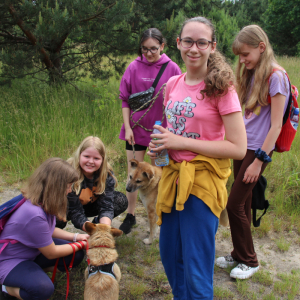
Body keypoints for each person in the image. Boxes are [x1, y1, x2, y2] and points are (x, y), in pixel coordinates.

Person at [147, 17, 247, 300]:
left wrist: (179, 142)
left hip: (202, 183)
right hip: (173, 178)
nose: (194, 48)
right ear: (177, 43)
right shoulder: (172, 84)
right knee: (170, 257)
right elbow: (174, 131)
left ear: (212, 46)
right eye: (188, 41)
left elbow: (238, 147)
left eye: (202, 42)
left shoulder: (222, 88)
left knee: (195, 267)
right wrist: (162, 147)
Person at [215, 25, 290, 280]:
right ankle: (238, 254)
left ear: (261, 47)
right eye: (239, 56)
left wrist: (259, 161)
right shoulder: (252, 72)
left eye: (246, 54)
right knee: (242, 204)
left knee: (233, 203)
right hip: (242, 145)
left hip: (258, 150)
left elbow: (276, 125)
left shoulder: (276, 76)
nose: (242, 60)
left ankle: (250, 260)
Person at [118, 28, 181, 234]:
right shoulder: (134, 67)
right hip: (134, 131)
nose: (149, 53)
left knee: (155, 177)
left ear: (162, 46)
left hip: (160, 132)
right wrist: (127, 128)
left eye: (153, 49)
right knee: (133, 174)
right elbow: (125, 99)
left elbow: (179, 101)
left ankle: (158, 217)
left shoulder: (172, 68)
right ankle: (131, 215)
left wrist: (172, 134)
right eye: (144, 49)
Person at [0, 158, 88, 300]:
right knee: (43, 290)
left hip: (31, 251)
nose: (70, 190)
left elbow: (49, 229)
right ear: (56, 187)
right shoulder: (34, 214)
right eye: (68, 186)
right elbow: (51, 253)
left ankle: (32, 273)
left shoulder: (41, 200)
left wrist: (76, 237)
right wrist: (82, 244)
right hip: (10, 261)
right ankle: (8, 287)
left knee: (75, 255)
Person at [55, 136, 128, 231]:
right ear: (79, 155)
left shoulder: (106, 174)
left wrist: (104, 228)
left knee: (120, 200)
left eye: (96, 158)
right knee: (56, 217)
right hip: (69, 207)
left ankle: (97, 225)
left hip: (91, 205)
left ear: (103, 160)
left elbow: (106, 206)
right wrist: (88, 228)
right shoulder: (68, 172)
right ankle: (51, 236)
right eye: (86, 156)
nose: (91, 161)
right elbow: (74, 210)